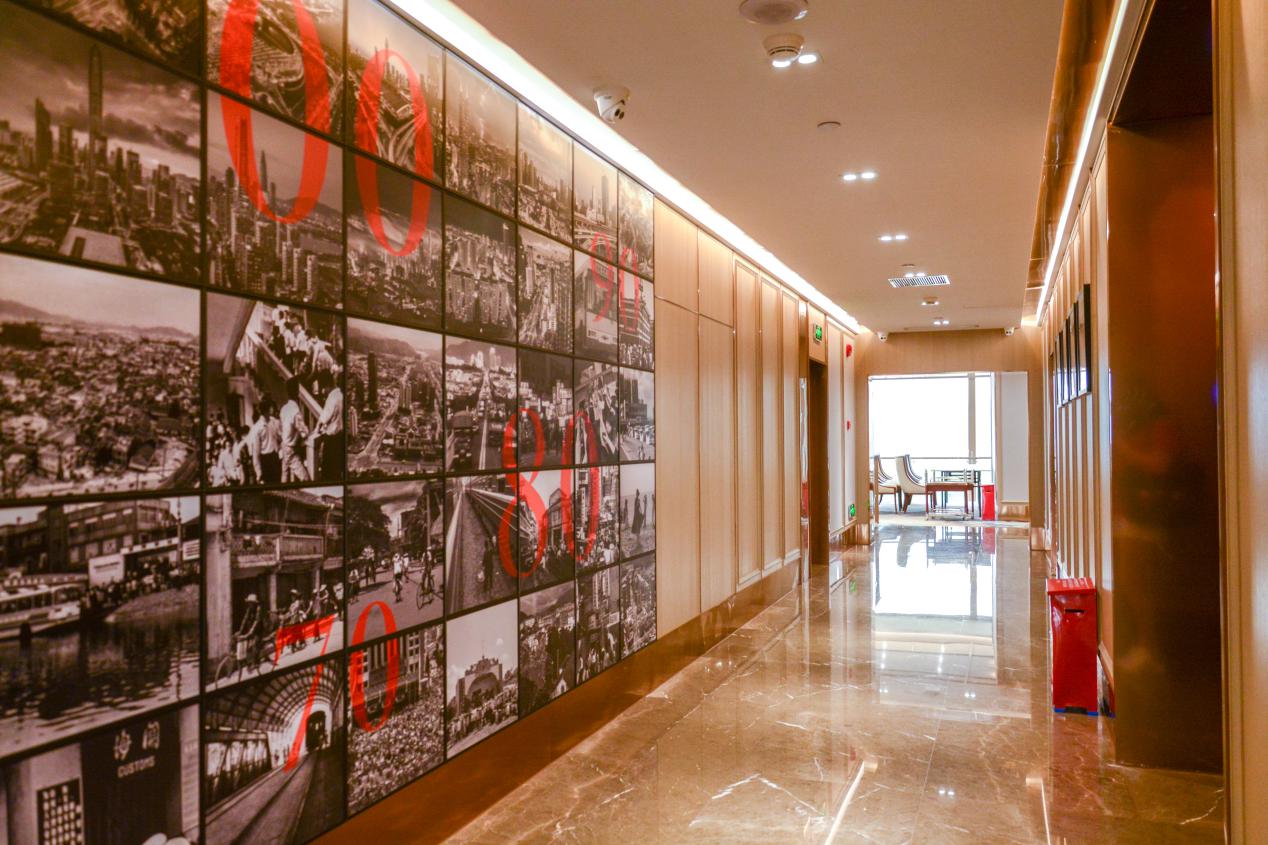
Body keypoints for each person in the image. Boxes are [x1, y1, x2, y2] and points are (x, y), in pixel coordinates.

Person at [279, 377, 310, 482]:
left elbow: (282, 427)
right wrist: (307, 432)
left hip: (284, 445)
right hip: (291, 448)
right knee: (305, 478)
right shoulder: (295, 411)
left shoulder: (284, 409)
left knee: (285, 475)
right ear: (297, 392)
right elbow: (304, 432)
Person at [314, 369, 343, 480]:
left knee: (328, 471)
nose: (322, 392)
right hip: (339, 437)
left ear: (326, 386)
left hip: (332, 440)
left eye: (323, 388)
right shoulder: (340, 394)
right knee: (337, 470)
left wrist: (316, 429)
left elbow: (323, 419)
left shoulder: (332, 398)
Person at [235, 593, 262, 670]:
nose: (250, 605)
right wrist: (240, 631)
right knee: (245, 643)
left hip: (259, 630)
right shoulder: (249, 609)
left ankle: (256, 662)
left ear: (254, 603)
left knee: (255, 643)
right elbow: (245, 619)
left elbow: (256, 621)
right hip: (251, 629)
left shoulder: (258, 609)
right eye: (249, 603)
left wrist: (250, 632)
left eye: (251, 603)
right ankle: (248, 660)